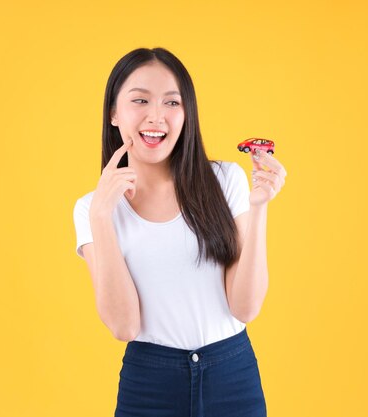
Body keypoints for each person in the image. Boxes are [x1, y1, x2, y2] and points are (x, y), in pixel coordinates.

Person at [73, 47, 286, 417]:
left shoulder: (225, 180)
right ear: (113, 112)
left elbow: (246, 306)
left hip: (232, 375)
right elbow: (124, 326)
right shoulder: (91, 209)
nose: (156, 117)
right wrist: (102, 219)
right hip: (149, 384)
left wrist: (259, 206)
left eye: (172, 103)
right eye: (140, 100)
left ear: (187, 113)